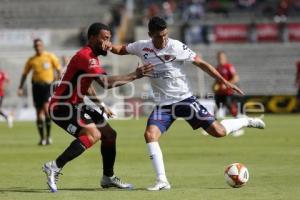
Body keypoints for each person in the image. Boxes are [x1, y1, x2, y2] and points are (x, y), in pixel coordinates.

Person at [109, 16, 265, 191]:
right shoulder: (141, 46)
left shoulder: (176, 46)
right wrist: (107, 45)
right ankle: (162, 181)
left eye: (165, 34)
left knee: (219, 132)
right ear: (150, 34)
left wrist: (225, 81)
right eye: (159, 36)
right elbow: (121, 49)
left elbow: (201, 63)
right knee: (150, 135)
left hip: (185, 100)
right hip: (163, 105)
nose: (164, 39)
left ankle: (247, 121)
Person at [42, 22, 153, 193]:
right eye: (105, 39)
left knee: (109, 135)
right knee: (93, 134)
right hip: (61, 107)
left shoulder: (92, 57)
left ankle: (108, 177)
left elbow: (86, 85)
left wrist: (101, 105)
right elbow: (105, 83)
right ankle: (54, 166)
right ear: (93, 38)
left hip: (76, 105)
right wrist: (134, 75)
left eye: (109, 38)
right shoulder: (86, 57)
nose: (108, 43)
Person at [18, 39, 61, 145]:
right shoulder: (32, 60)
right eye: (36, 45)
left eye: (39, 45)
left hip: (47, 86)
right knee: (38, 113)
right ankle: (42, 138)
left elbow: (58, 69)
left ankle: (49, 136)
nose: (38, 47)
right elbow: (25, 74)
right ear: (34, 47)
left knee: (47, 110)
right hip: (36, 87)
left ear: (43, 46)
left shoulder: (50, 56)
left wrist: (59, 82)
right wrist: (20, 87)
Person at [213, 51, 240, 118]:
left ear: (225, 58)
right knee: (216, 108)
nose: (220, 59)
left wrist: (227, 84)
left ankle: (238, 119)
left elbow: (236, 78)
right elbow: (216, 80)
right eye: (219, 57)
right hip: (219, 92)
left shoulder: (229, 66)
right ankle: (212, 125)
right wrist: (214, 86)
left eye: (222, 57)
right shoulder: (217, 68)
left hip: (228, 92)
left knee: (230, 106)